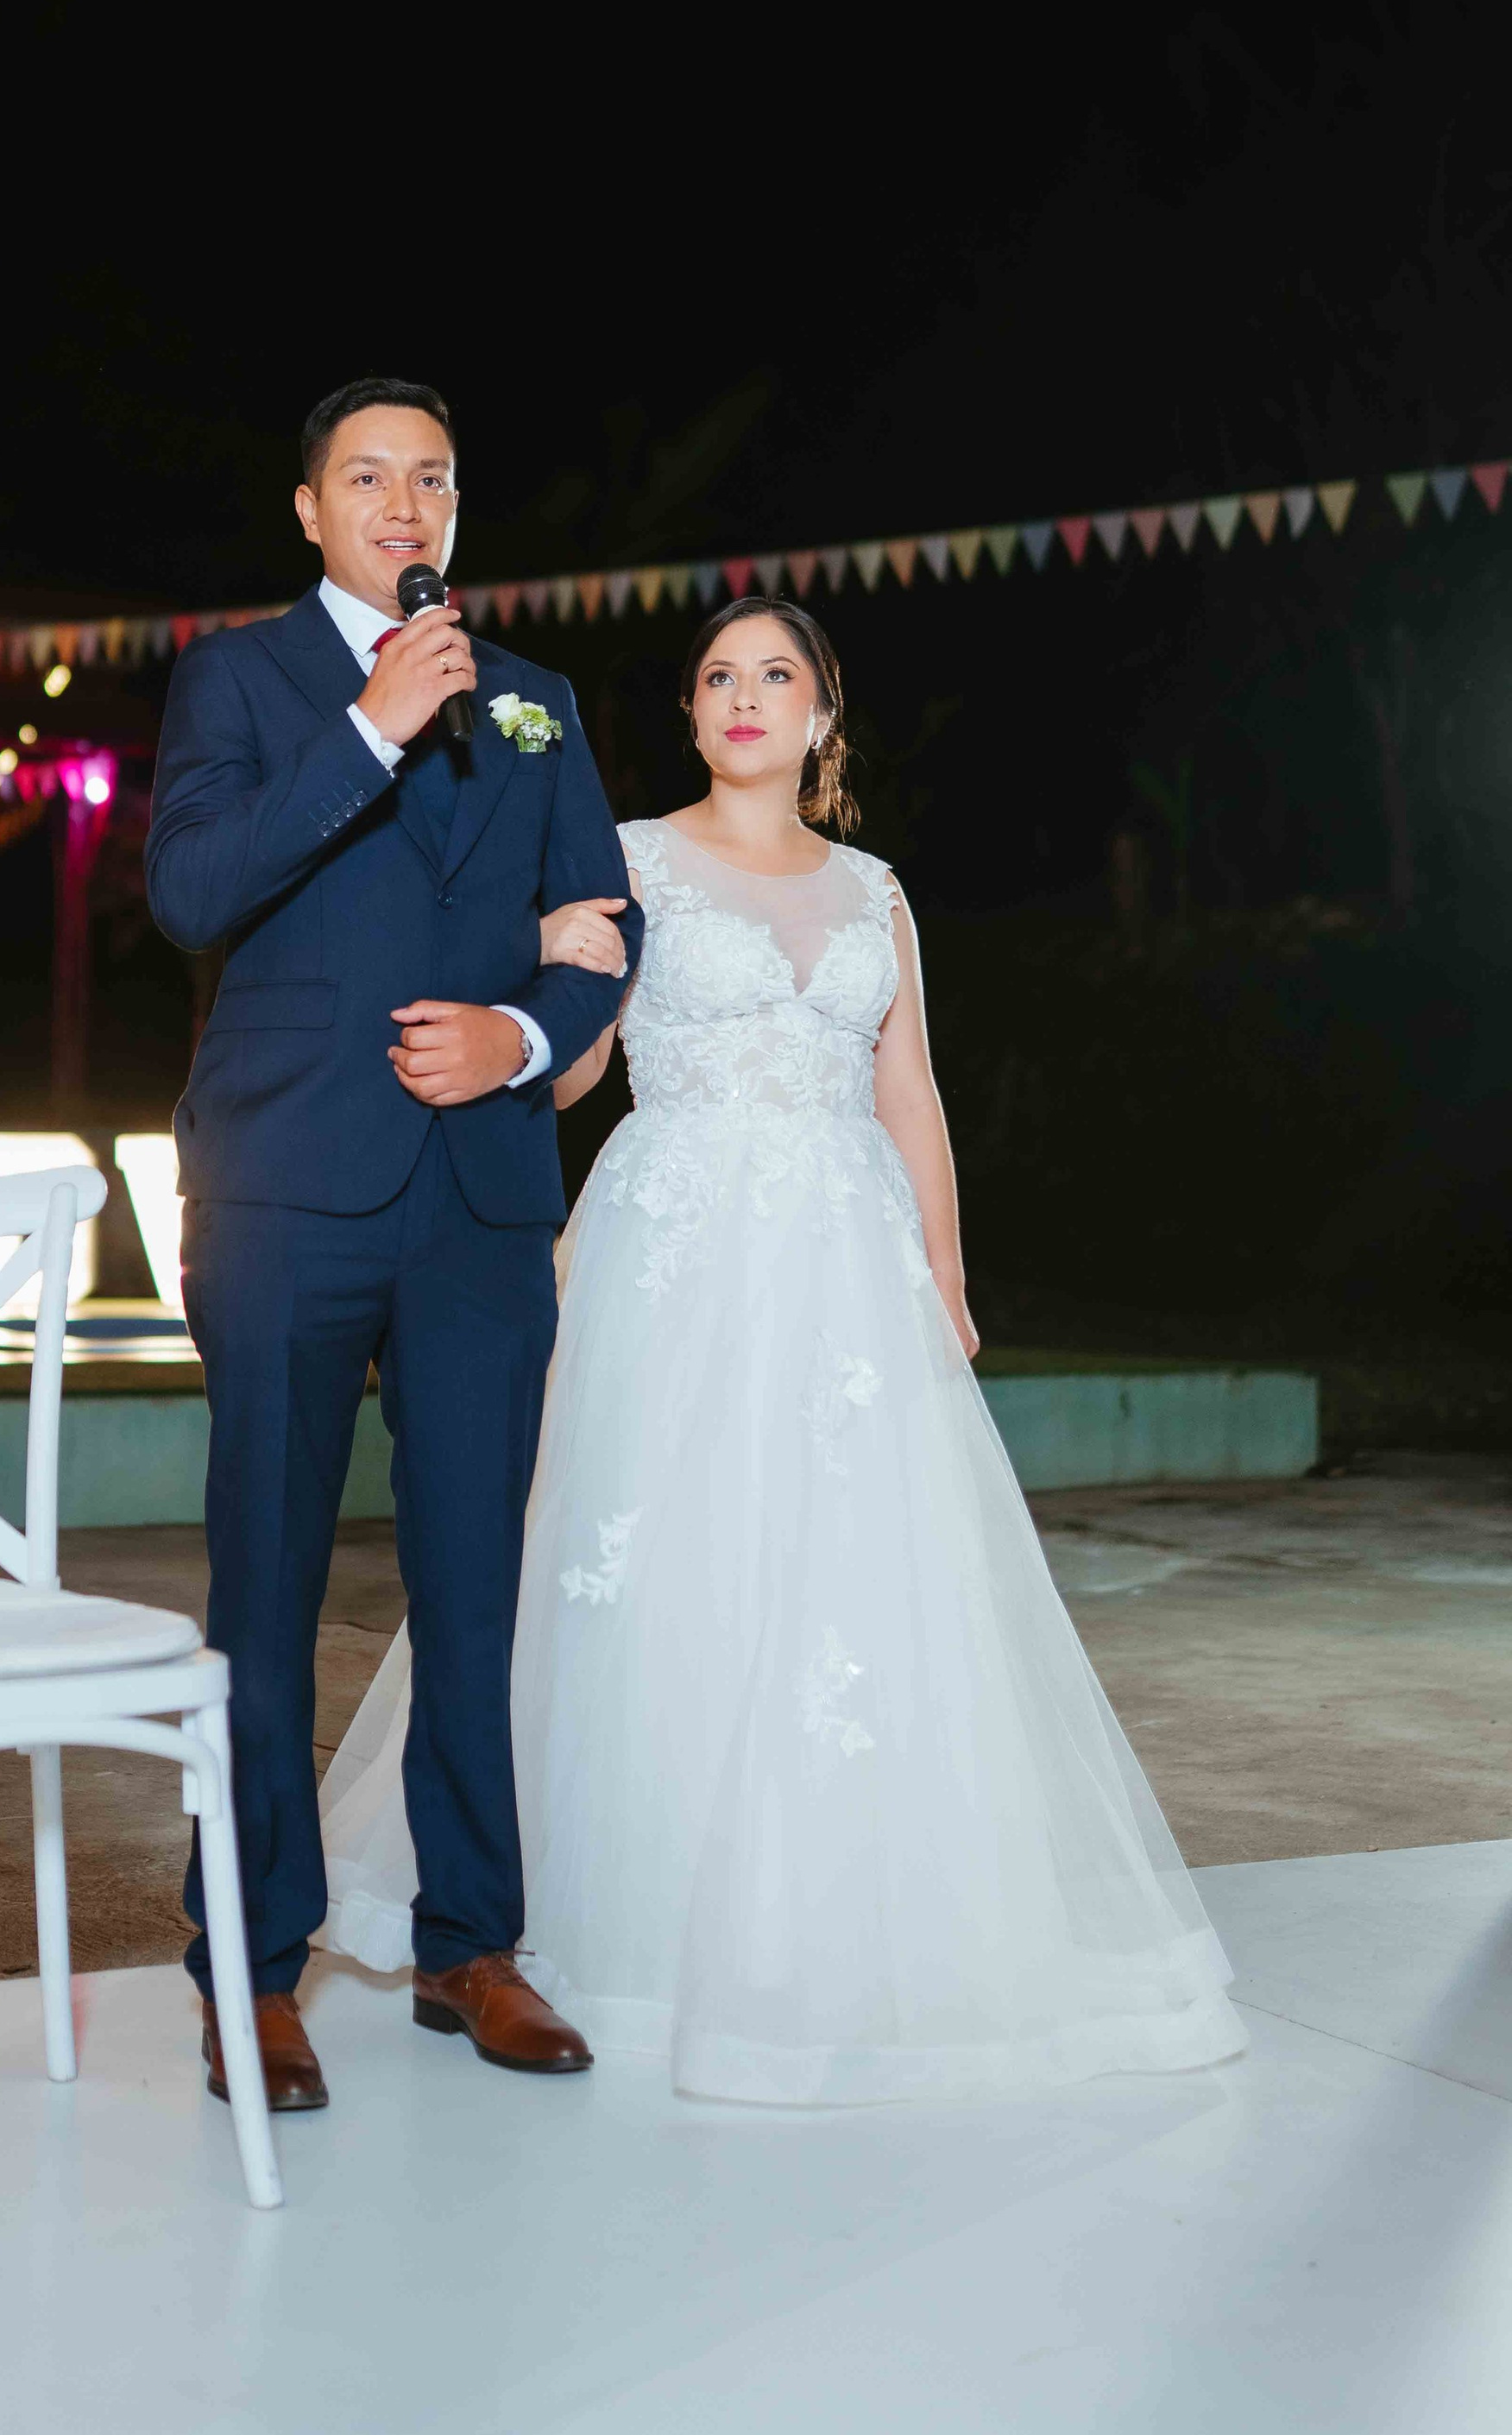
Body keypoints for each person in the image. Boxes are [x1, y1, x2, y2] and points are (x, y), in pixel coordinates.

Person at [321, 596, 1246, 2102]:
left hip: (846, 1257)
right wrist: (542, 974)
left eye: (775, 677)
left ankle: (843, 1911)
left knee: (854, 1572)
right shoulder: (626, 857)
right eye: (716, 679)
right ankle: (555, 1914)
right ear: (691, 717)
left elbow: (915, 1093)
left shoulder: (878, 890)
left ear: (822, 715)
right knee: (643, 1558)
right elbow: (572, 1082)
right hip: (674, 1243)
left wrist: (944, 1277)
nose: (743, 697)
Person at [144, 375, 642, 2111]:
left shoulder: (534, 702)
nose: (404, 504)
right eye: (368, 477)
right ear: (309, 510)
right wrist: (363, 730)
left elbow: (598, 928)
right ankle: (251, 1964)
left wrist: (520, 1036)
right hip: (286, 1186)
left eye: (430, 478)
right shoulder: (241, 677)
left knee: (469, 1589)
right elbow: (193, 894)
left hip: (481, 1199)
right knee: (263, 1587)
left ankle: (468, 1946)